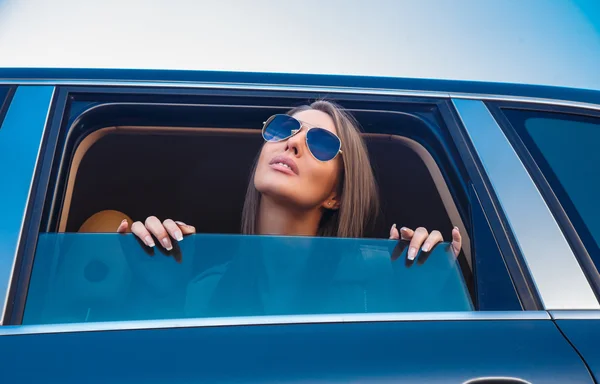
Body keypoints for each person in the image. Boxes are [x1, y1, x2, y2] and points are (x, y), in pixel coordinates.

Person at [115, 100, 463, 260]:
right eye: (284, 129)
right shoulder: (204, 286)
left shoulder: (367, 294)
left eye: (322, 143)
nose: (293, 143)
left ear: (336, 195)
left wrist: (430, 282)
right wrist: (150, 275)